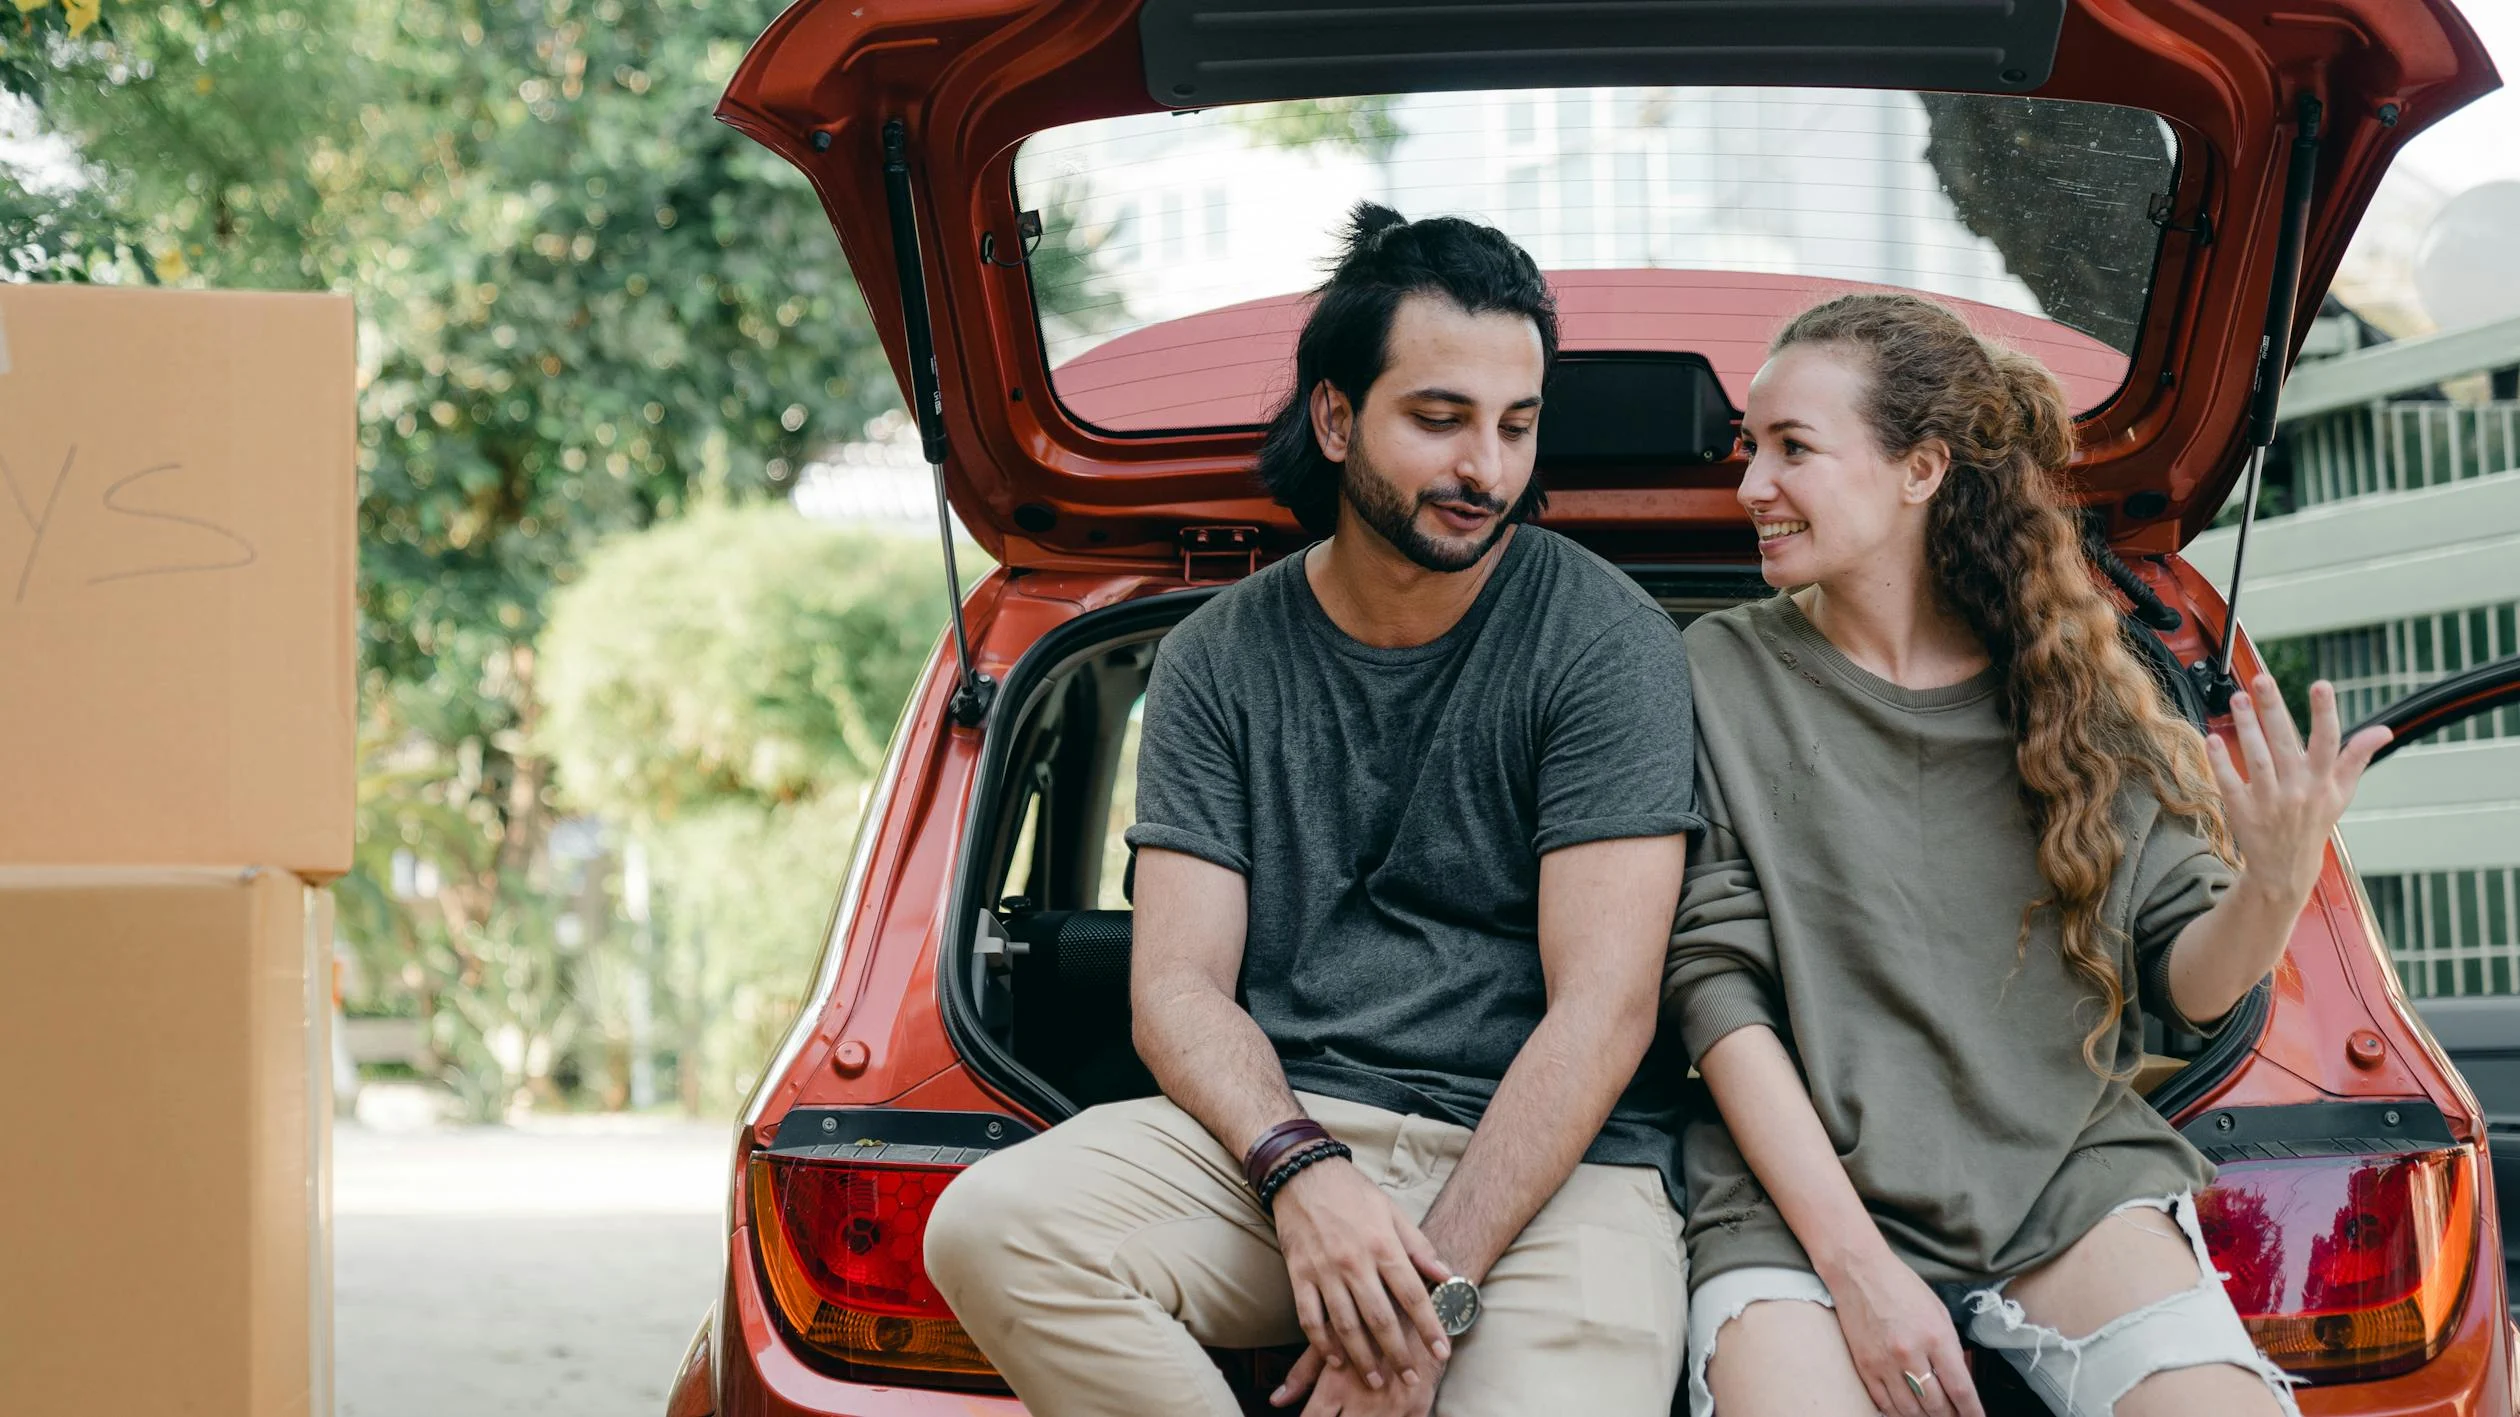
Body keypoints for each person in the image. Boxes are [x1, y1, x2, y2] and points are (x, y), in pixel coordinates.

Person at [924, 203, 1700, 1417]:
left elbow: (1604, 1010)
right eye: (1440, 419)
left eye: (1517, 425)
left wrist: (1420, 1305)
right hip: (1285, 1135)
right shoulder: (1217, 657)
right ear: (1336, 417)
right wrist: (1301, 1172)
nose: (1486, 469)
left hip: (1560, 1171)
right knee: (992, 1225)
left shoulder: (1606, 645)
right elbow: (1177, 986)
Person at [1664, 291, 2383, 1417]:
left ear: (1921, 470)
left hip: (2060, 1176)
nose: (1749, 484)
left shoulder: (2075, 683)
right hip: (1792, 1200)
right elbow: (1716, 993)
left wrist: (2275, 884)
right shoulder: (1714, 672)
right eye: (1753, 449)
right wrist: (1858, 1270)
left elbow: (2188, 981)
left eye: (1792, 448)